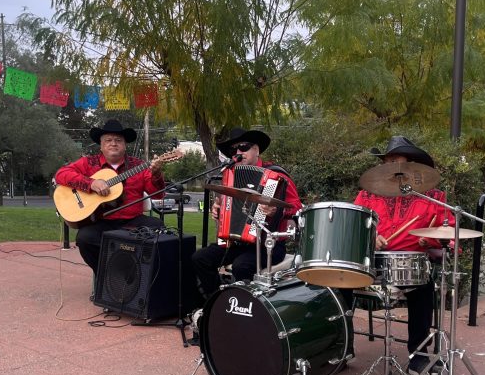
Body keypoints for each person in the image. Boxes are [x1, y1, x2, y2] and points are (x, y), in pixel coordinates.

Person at [353, 136, 454, 375]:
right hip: (370, 262)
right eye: (387, 161)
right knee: (336, 281)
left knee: (423, 287)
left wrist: (429, 241)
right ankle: (340, 346)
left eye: (395, 160)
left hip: (409, 264)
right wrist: (368, 237)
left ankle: (418, 355)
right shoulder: (367, 196)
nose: (390, 166)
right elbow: (353, 225)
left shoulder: (433, 197)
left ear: (411, 166)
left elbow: (449, 235)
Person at [191, 126, 303, 301]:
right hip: (236, 243)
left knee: (241, 266)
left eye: (243, 147)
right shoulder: (229, 176)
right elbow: (226, 206)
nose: (238, 152)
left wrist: (276, 210)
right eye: (233, 149)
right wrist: (218, 210)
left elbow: (296, 207)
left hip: (268, 245)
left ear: (256, 150)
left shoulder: (276, 175)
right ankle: (217, 304)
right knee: (200, 258)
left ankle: (247, 310)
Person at [55, 119, 166, 275]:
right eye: (108, 140)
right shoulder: (88, 163)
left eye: (118, 140)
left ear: (125, 145)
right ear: (101, 145)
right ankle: (106, 276)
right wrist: (91, 183)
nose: (113, 143)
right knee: (84, 238)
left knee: (159, 229)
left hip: (132, 221)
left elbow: (158, 194)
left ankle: (139, 277)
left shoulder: (139, 165)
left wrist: (156, 175)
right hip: (101, 221)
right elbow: (61, 174)